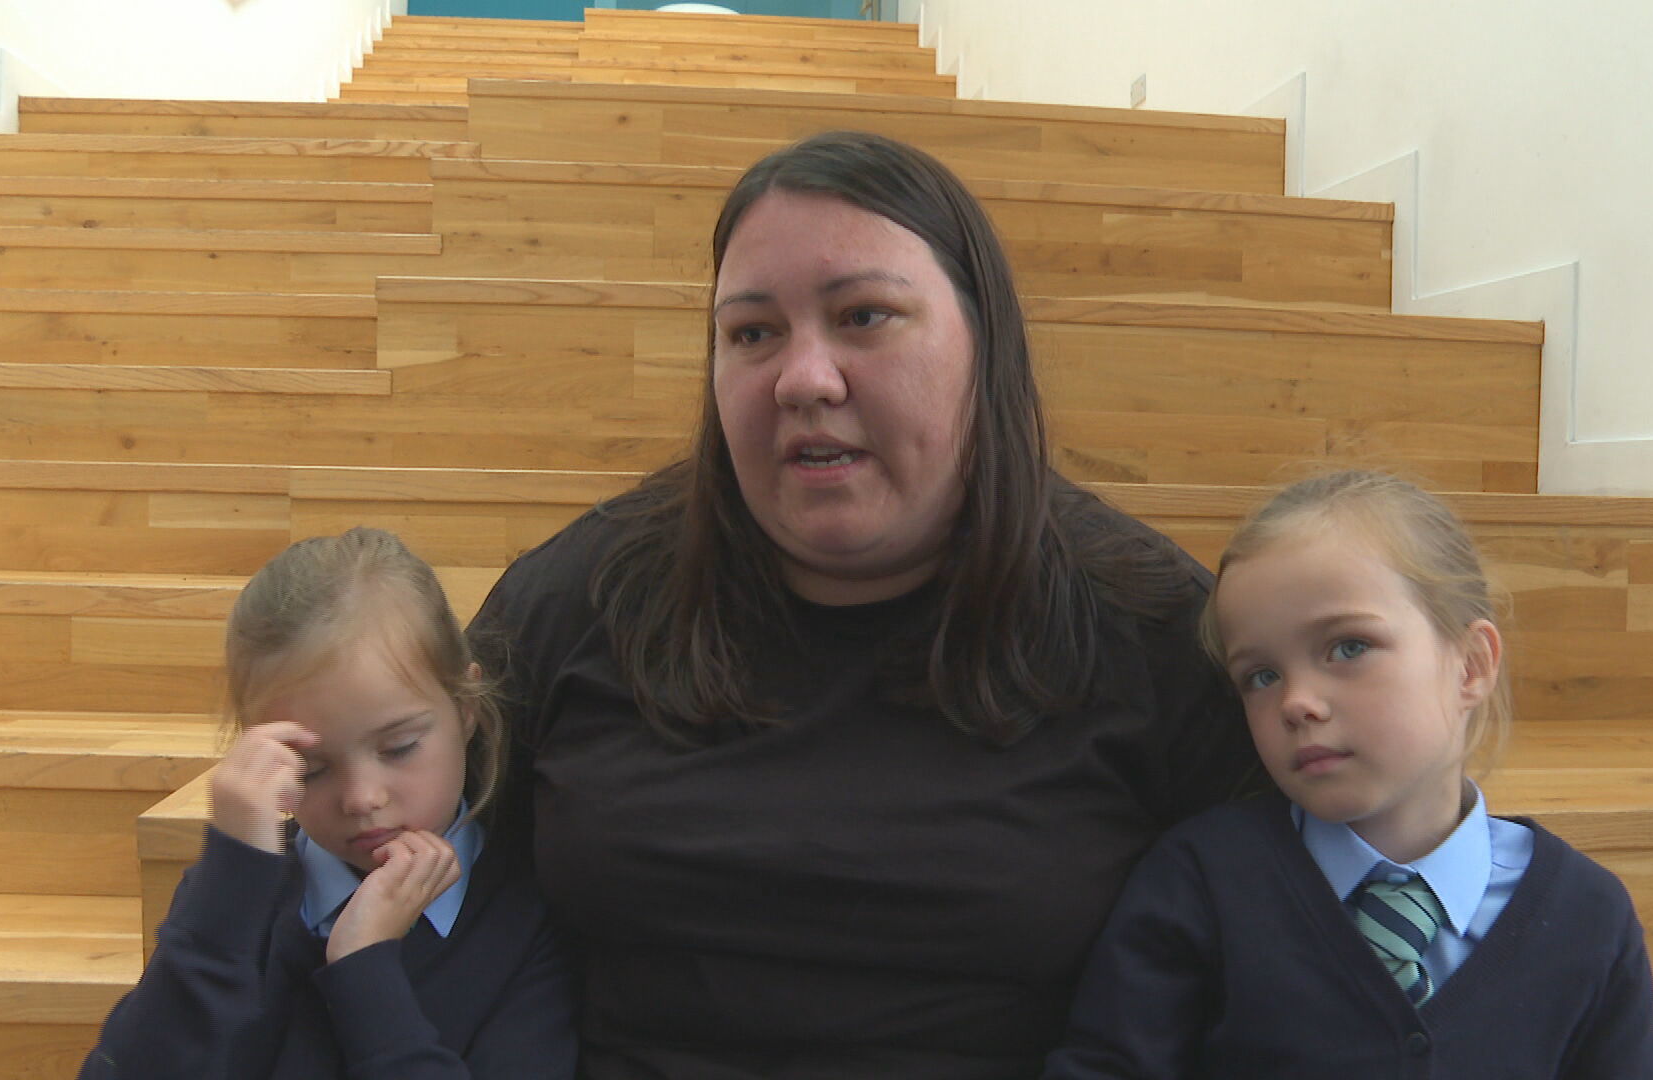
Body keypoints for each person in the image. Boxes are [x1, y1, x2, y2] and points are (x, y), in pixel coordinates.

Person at [465, 130, 1262, 1079]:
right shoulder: (570, 602)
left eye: (865, 316)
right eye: (752, 333)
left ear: (985, 345)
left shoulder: (1158, 629)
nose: (805, 379)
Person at [1043, 470, 1653, 1079]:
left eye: (1347, 647)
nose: (1296, 702)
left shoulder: (1588, 916)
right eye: (1261, 675)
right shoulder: (1202, 881)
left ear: (1471, 665)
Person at [79, 528, 575, 1080]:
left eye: (400, 747)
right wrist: (233, 871)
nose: (363, 799)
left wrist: (365, 965)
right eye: (312, 767)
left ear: (465, 710)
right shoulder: (238, 892)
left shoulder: (526, 910)